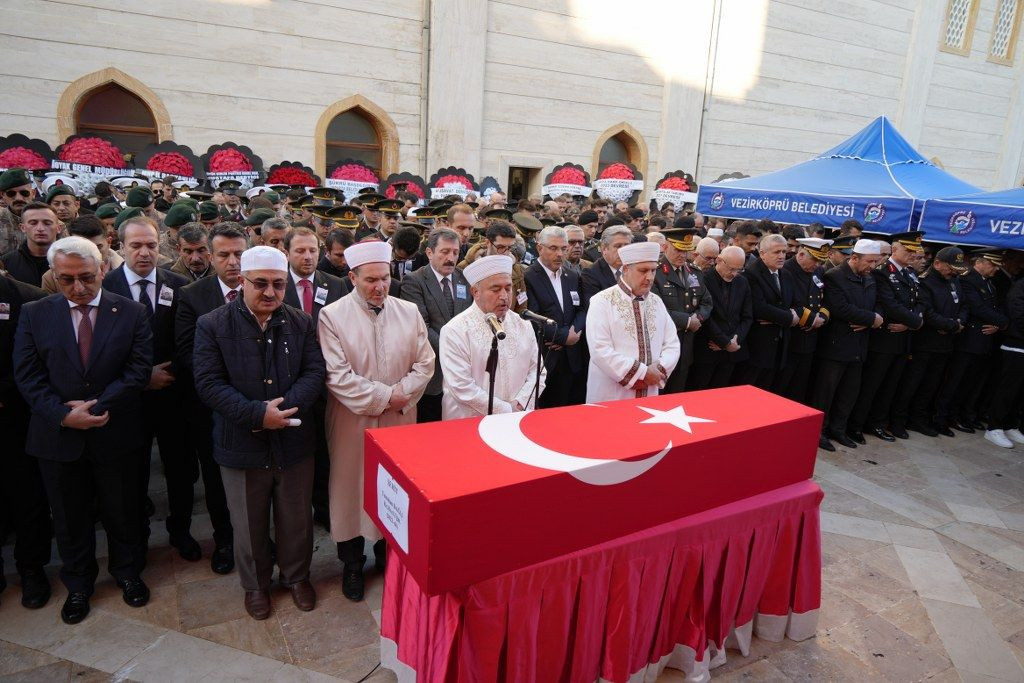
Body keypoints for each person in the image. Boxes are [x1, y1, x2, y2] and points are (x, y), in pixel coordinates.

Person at [14, 236, 153, 624]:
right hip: (58, 436)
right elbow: (27, 375)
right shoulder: (35, 313)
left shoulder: (130, 312)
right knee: (69, 516)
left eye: (87, 277)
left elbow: (138, 370)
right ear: (54, 276)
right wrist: (62, 415)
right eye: (67, 279)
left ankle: (128, 573)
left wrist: (97, 406)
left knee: (122, 509)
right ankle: (78, 584)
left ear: (103, 270)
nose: (78, 287)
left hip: (115, 431)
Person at [193, 246, 326, 620]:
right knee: (248, 522)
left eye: (278, 284)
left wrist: (281, 413)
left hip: (293, 439)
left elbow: (314, 372)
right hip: (241, 443)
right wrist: (256, 415)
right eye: (261, 283)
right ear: (242, 281)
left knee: (296, 517)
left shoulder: (300, 322)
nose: (270, 292)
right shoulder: (213, 324)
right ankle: (256, 585)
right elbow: (208, 383)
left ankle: (296, 577)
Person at [318, 241, 434, 601]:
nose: (380, 287)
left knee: (395, 488)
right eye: (370, 280)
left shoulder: (409, 311)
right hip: (353, 420)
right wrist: (387, 396)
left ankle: (389, 558)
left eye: (384, 278)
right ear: (352, 277)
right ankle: (352, 565)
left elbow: (425, 363)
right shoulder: (332, 316)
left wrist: (400, 395)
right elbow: (338, 376)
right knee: (350, 489)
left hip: (401, 418)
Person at [102, 215, 195, 561]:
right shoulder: (105, 287)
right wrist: (143, 378)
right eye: (136, 245)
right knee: (131, 477)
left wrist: (168, 374)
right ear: (120, 246)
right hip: (127, 401)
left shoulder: (179, 285)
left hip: (174, 396)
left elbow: (186, 340)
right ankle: (136, 541)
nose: (144, 252)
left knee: (180, 471)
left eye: (151, 245)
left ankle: (181, 530)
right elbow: (103, 352)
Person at [174, 222, 247, 575]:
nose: (233, 262)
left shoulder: (266, 287)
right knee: (217, 479)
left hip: (261, 404)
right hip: (212, 408)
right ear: (211, 256)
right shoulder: (192, 295)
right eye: (224, 255)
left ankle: (256, 538)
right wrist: (231, 387)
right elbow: (188, 353)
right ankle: (226, 540)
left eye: (239, 254)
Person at [0, 272, 51, 610]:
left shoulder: (29, 299)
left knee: (27, 497)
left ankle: (32, 569)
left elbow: (37, 361)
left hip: (17, 417)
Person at [439, 254, 544, 417]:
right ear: (475, 292)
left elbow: (538, 371)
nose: (504, 296)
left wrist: (521, 403)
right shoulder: (455, 330)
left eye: (508, 288)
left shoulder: (523, 324)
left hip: (518, 417)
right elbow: (461, 386)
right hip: (468, 422)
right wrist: (506, 409)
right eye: (495, 289)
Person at [847, 232, 925, 443]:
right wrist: (916, 322)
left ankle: (878, 423)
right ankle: (857, 425)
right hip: (884, 340)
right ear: (895, 249)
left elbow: (920, 301)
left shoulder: (909, 274)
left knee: (889, 387)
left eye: (915, 250)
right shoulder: (882, 273)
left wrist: (912, 322)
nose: (912, 254)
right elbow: (889, 305)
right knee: (872, 386)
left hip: (902, 340)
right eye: (908, 250)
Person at [810, 239, 884, 452]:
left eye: (875, 261)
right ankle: (819, 431)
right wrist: (871, 319)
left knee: (848, 392)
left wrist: (875, 318)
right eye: (869, 261)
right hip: (836, 346)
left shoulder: (869, 277)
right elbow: (840, 308)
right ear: (854, 257)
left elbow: (878, 304)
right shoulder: (834, 277)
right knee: (825, 393)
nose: (872, 266)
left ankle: (838, 429)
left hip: (859, 346)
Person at [890, 246, 969, 438]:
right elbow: (927, 311)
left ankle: (918, 419)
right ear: (938, 263)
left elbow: (964, 305)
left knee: (930, 385)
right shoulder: (925, 282)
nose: (953, 272)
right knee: (911, 384)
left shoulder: (954, 281)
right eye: (951, 268)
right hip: (924, 343)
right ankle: (898, 420)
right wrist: (951, 325)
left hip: (945, 344)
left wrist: (959, 322)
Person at [586, 242, 680, 402]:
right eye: (643, 270)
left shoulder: (656, 302)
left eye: (653, 270)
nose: (650, 277)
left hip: (650, 388)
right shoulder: (602, 301)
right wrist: (642, 373)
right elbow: (600, 349)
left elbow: (672, 344)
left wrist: (658, 370)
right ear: (626, 269)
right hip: (611, 392)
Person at [399, 228, 473, 422]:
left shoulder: (464, 278)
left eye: (455, 252)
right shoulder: (414, 281)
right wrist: (453, 352)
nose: (451, 258)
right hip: (432, 376)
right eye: (445, 252)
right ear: (430, 252)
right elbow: (421, 326)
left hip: (464, 375)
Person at [941, 249, 1009, 434]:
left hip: (983, 341)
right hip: (968, 340)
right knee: (956, 381)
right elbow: (976, 307)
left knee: (972, 383)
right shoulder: (967, 279)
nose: (996, 269)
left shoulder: (989, 283)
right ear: (980, 263)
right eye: (993, 265)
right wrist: (1003, 322)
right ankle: (945, 417)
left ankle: (963, 415)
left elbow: (996, 307)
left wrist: (999, 325)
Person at [525, 226, 587, 407]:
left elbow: (582, 309)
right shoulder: (529, 277)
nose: (560, 254)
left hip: (573, 358)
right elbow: (531, 316)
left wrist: (573, 332)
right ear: (539, 248)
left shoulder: (572, 275)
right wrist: (562, 337)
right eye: (553, 248)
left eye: (563, 248)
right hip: (546, 358)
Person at [732, 234, 797, 390]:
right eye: (776, 252)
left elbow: (795, 303)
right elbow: (759, 308)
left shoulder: (786, 274)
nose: (781, 256)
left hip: (779, 346)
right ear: (762, 253)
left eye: (784, 252)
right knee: (748, 390)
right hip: (757, 347)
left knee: (768, 391)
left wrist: (780, 317)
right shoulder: (751, 274)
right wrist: (789, 318)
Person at [652, 228, 712, 393]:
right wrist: (686, 321)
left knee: (677, 392)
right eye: (678, 250)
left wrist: (698, 318)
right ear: (665, 247)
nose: (682, 255)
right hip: (663, 347)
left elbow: (707, 301)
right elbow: (656, 309)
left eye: (686, 251)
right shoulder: (655, 273)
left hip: (686, 345)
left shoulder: (694, 272)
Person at [773, 238, 831, 404]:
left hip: (810, 339)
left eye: (820, 261)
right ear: (801, 255)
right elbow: (787, 302)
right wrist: (811, 319)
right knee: (782, 385)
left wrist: (822, 317)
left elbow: (824, 298)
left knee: (800, 387)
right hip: (791, 338)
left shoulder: (817, 271)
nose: (817, 265)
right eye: (815, 260)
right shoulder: (786, 270)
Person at [689, 246, 753, 390]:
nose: (734, 274)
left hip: (732, 351)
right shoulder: (703, 279)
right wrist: (724, 342)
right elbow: (705, 315)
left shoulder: (742, 282)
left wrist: (733, 341)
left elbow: (747, 316)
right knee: (699, 392)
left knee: (721, 393)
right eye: (731, 269)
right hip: (707, 349)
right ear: (719, 260)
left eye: (739, 270)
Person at [985, 276, 1024, 448]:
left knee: (1020, 392)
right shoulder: (1020, 287)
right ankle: (994, 427)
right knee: (1008, 389)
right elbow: (1018, 314)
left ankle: (1010, 425)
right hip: (1016, 345)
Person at [459, 220, 529, 313]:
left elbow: (521, 308)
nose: (506, 253)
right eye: (500, 247)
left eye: (509, 248)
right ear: (488, 243)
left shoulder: (517, 271)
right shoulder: (464, 268)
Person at [3, 201, 62, 287]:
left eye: (47, 223)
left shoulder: (71, 260)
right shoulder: (6, 262)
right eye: (33, 223)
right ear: (22, 228)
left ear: (58, 228)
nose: (40, 228)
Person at [581, 225, 632, 307]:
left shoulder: (635, 270)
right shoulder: (591, 274)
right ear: (604, 248)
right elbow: (595, 306)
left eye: (626, 246)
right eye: (618, 246)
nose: (623, 250)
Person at [0, 168, 36, 254]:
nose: (18, 198)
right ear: (3, 195)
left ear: (33, 193)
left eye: (24, 193)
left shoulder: (50, 222)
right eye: (11, 194)